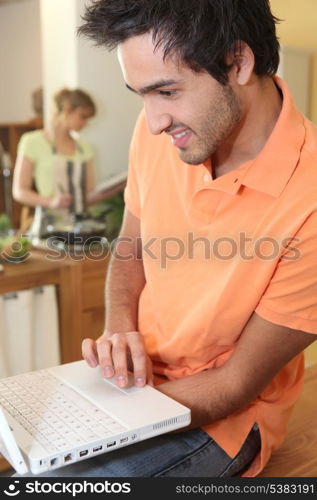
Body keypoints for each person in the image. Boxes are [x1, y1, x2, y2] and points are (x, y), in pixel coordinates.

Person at [37, 0, 317, 478]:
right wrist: (119, 329)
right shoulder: (162, 135)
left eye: (167, 91)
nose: (152, 122)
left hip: (218, 424)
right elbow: (130, 250)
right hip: (131, 392)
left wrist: (95, 422)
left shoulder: (309, 197)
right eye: (141, 95)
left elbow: (234, 386)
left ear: (238, 61)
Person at [13, 88, 105, 238]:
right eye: (83, 116)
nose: (86, 123)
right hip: (47, 230)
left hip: (80, 230)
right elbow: (19, 191)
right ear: (68, 110)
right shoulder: (32, 142)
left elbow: (89, 195)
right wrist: (50, 202)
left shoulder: (85, 149)